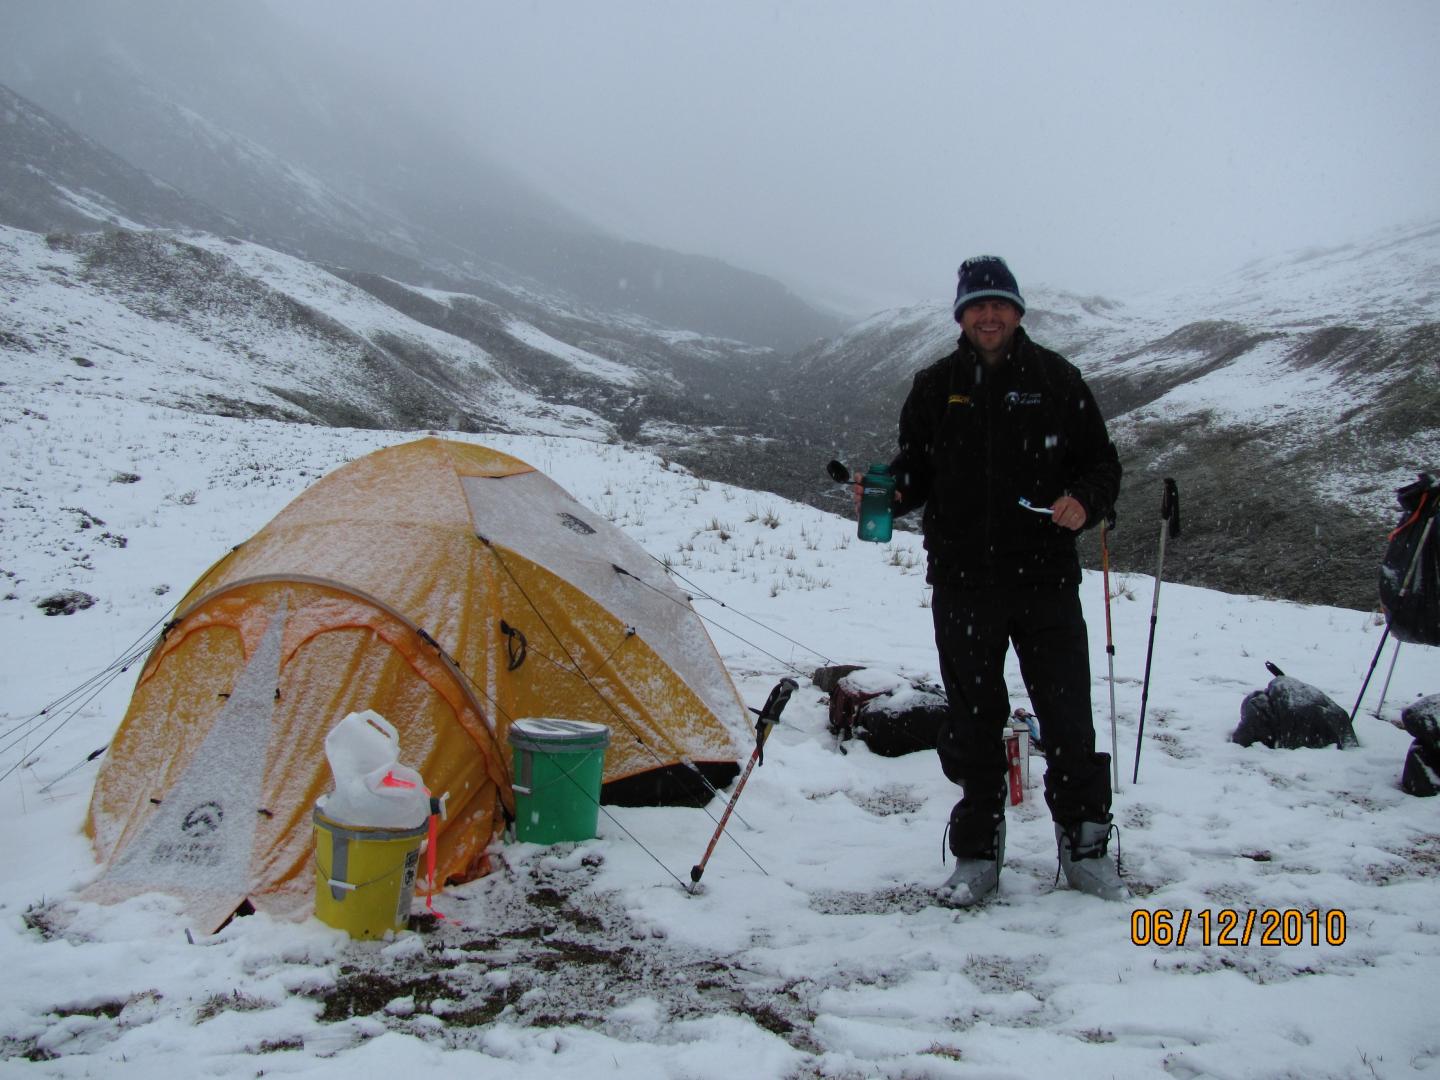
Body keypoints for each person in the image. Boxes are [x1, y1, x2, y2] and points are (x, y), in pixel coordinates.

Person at [888, 255, 1125, 904]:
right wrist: (885, 490)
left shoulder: (1056, 379)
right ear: (961, 316)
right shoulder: (936, 385)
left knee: (1068, 717)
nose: (988, 315)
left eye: (999, 304)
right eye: (976, 306)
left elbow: (1102, 464)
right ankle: (978, 852)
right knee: (973, 720)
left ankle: (1084, 844)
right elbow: (914, 471)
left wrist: (1084, 499)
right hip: (963, 583)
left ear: (1018, 312)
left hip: (1045, 580)